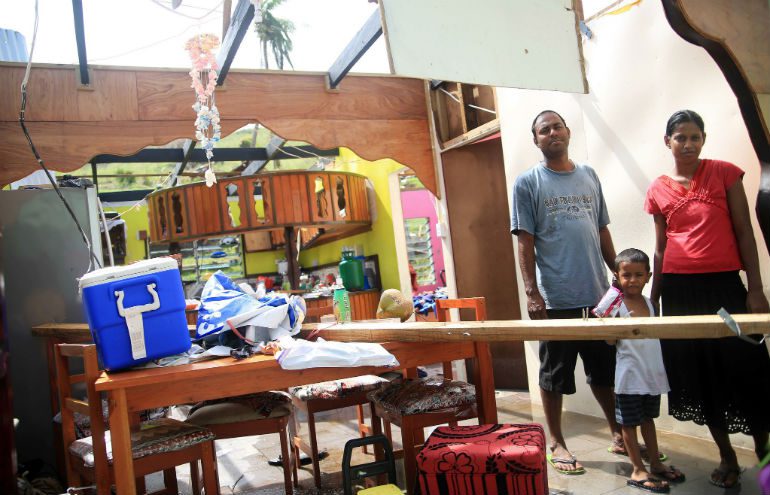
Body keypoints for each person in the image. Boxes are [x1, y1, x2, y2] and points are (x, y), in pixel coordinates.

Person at [645, 109, 770, 489]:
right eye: (680, 137)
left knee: (749, 370)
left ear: (704, 139)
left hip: (725, 290)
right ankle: (727, 456)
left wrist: (756, 288)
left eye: (694, 136)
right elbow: (661, 250)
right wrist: (654, 302)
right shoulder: (658, 189)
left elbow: (745, 233)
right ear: (667, 142)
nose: (687, 144)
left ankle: (764, 455)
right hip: (681, 295)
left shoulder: (724, 173)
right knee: (702, 375)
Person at [510, 110, 621, 474]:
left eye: (557, 126)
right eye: (544, 130)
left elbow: (601, 228)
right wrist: (532, 292)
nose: (552, 133)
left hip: (598, 296)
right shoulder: (528, 183)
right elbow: (524, 240)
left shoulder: (588, 175)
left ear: (568, 132)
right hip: (556, 298)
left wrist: (617, 272)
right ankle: (555, 440)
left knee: (604, 371)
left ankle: (618, 433)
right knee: (554, 375)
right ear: (536, 140)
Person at [606, 248, 685, 493]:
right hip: (629, 377)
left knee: (648, 420)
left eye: (638, 275)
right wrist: (610, 314)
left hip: (651, 375)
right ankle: (638, 468)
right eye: (626, 275)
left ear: (648, 276)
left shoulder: (651, 304)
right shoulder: (615, 304)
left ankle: (655, 463)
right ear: (617, 276)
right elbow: (608, 340)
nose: (632, 280)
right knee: (628, 424)